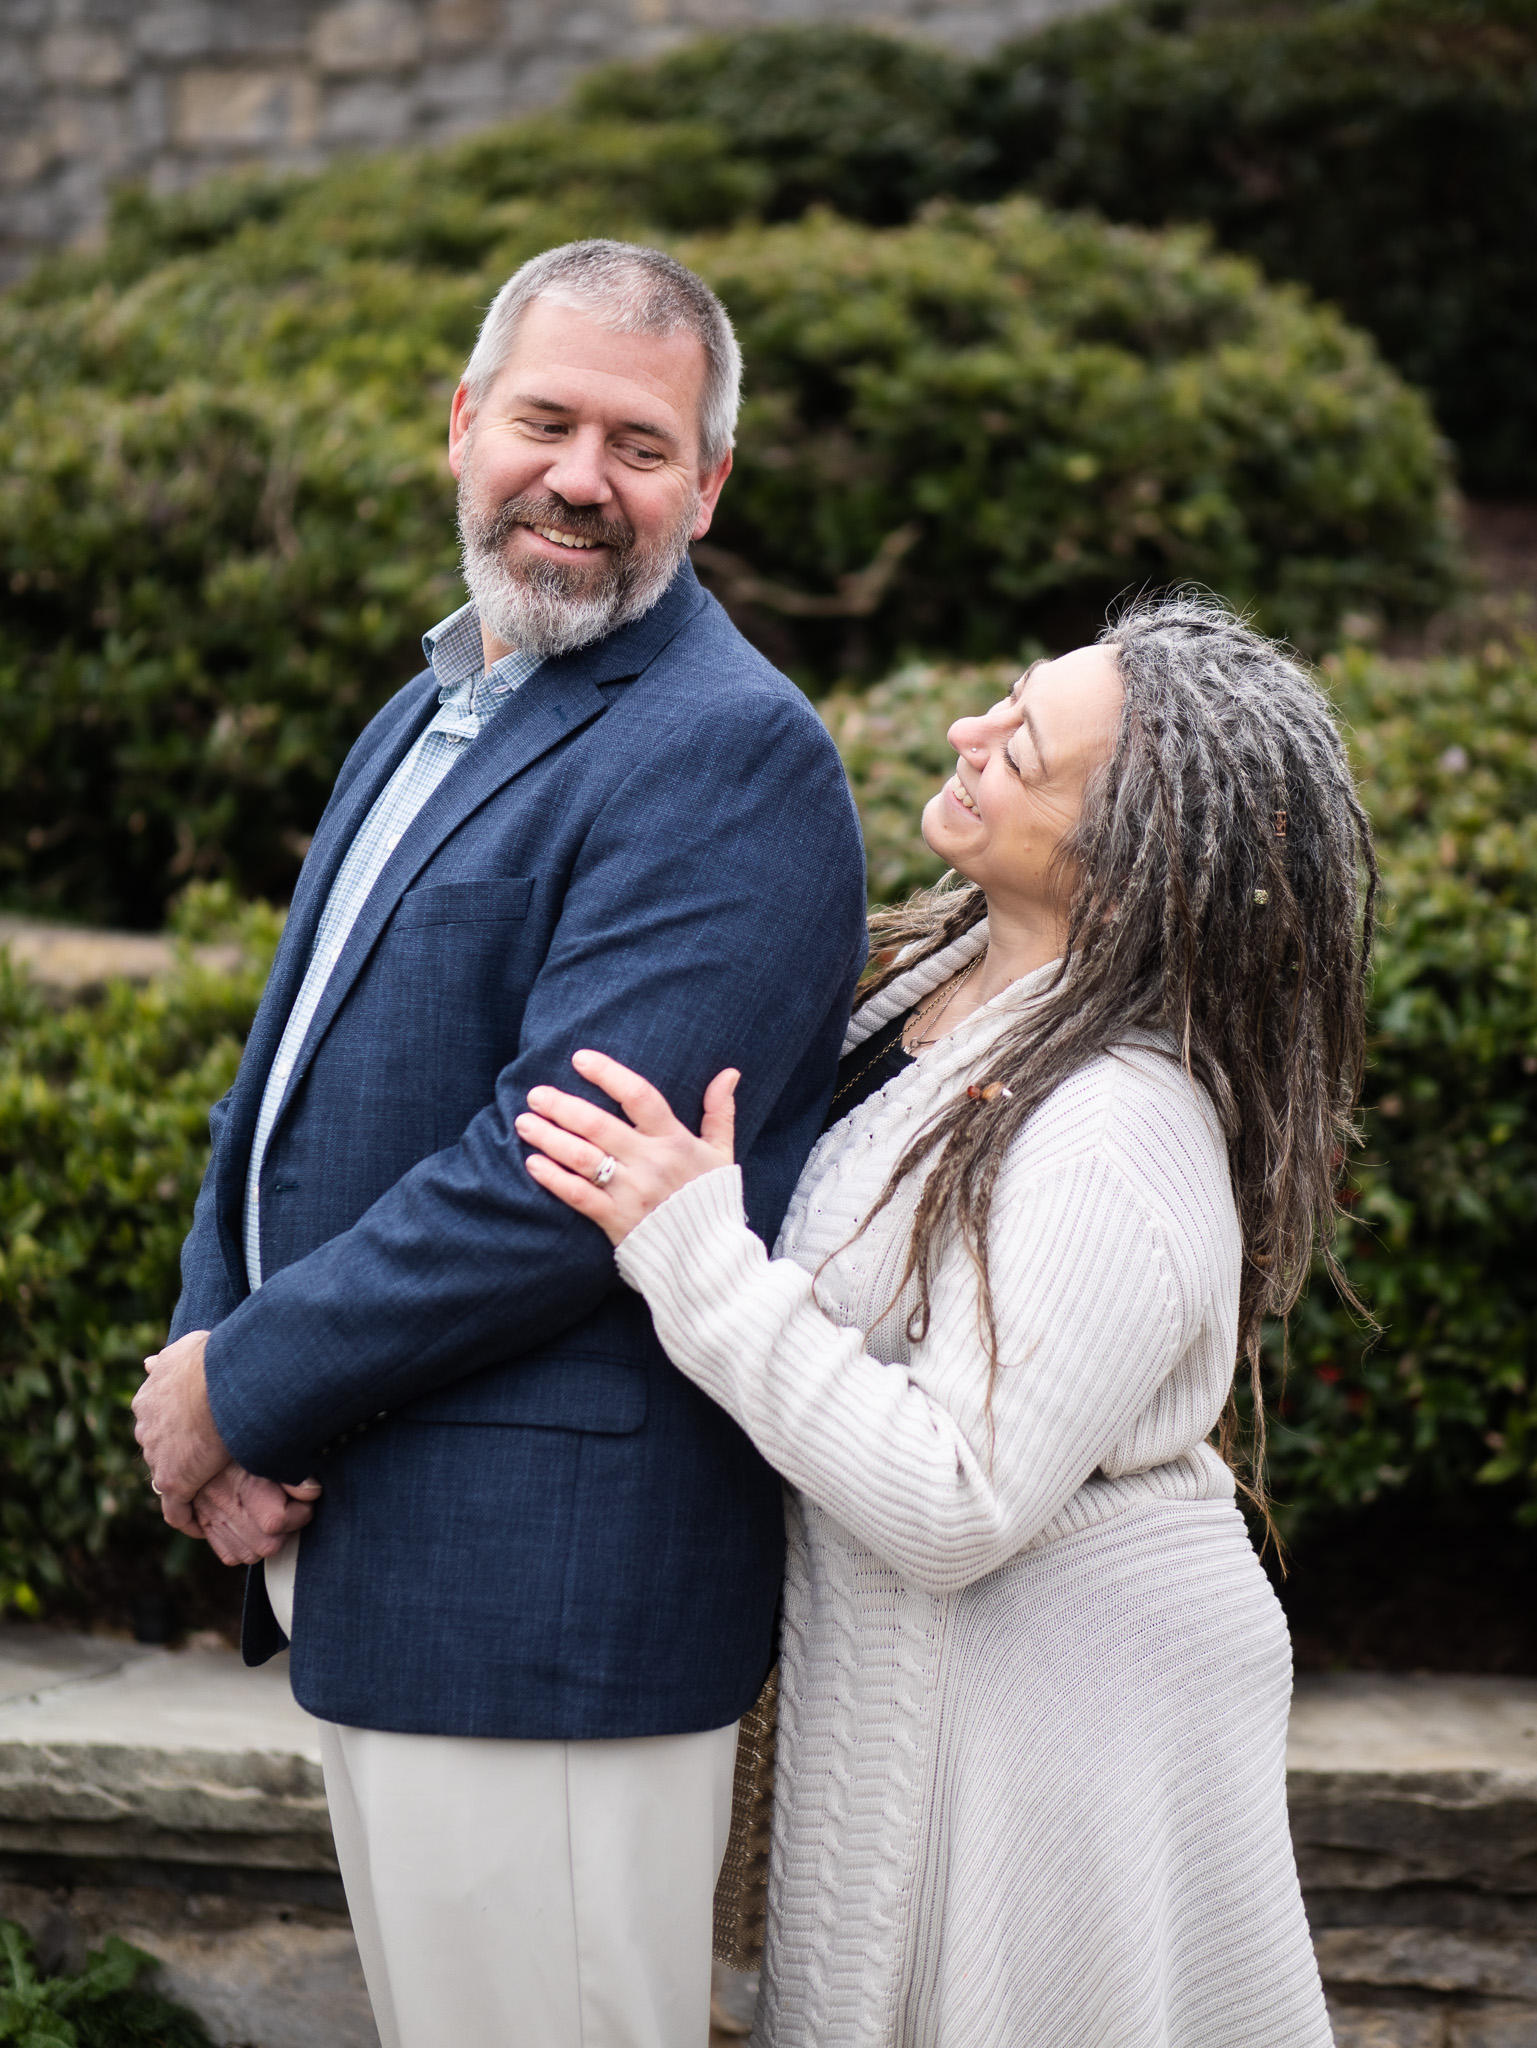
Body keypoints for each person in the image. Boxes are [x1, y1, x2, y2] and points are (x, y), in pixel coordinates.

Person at [129, 238, 869, 2048]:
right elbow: (281, 1081)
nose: (579, 477)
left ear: (707, 485)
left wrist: (246, 1385)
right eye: (545, 421)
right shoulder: (435, 702)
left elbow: (555, 1177)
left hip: (549, 1596)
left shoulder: (730, 753)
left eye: (639, 444)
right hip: (394, 1553)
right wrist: (215, 1359)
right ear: (464, 422)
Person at [515, 594, 1372, 2048]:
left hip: (1056, 1746)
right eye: (1009, 700)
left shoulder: (1118, 1127)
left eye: (1022, 753)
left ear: (1130, 865)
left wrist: (695, 1256)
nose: (972, 734)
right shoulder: (935, 977)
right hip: (970, 1701)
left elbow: (956, 1496)